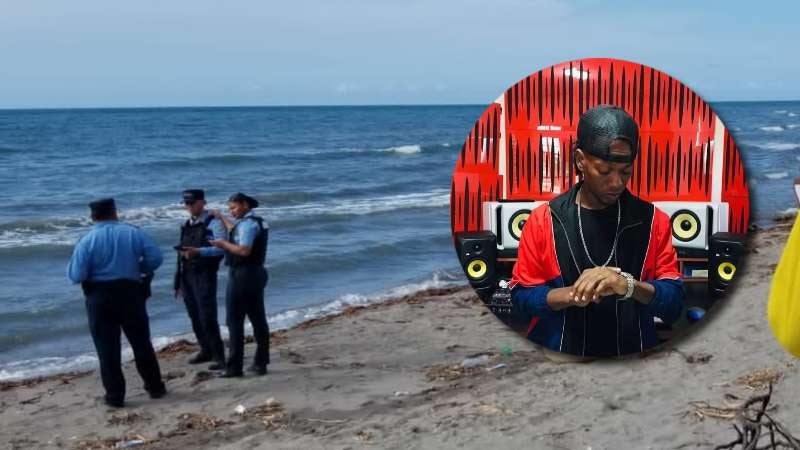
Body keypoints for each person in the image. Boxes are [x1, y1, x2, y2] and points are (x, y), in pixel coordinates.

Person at [510, 105, 685, 357]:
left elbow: (674, 303)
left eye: (625, 172)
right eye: (604, 171)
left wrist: (627, 285)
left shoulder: (654, 221)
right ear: (580, 160)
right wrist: (574, 294)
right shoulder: (544, 220)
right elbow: (521, 300)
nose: (616, 182)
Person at [67, 198, 166, 407]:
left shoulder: (86, 240)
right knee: (141, 343)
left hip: (100, 296)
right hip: (130, 292)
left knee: (107, 349)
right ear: (114, 212)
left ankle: (115, 396)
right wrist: (140, 269)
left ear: (92, 216)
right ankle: (155, 387)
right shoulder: (132, 232)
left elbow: (76, 275)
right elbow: (156, 258)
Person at [209, 192, 270, 377]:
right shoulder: (255, 222)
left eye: (234, 208)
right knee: (258, 317)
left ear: (245, 205)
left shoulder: (248, 225)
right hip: (256, 273)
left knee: (234, 321)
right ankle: (261, 362)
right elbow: (236, 228)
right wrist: (221, 217)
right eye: (229, 209)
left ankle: (234, 367)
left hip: (242, 275)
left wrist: (223, 244)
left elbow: (244, 250)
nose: (232, 212)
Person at [174, 189, 227, 370]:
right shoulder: (187, 223)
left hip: (205, 274)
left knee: (207, 315)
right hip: (187, 274)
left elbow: (221, 249)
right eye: (186, 203)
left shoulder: (214, 222)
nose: (188, 207)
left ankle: (219, 356)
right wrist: (178, 281)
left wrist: (198, 252)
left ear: (202, 202)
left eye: (191, 203)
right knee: (194, 315)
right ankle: (206, 350)